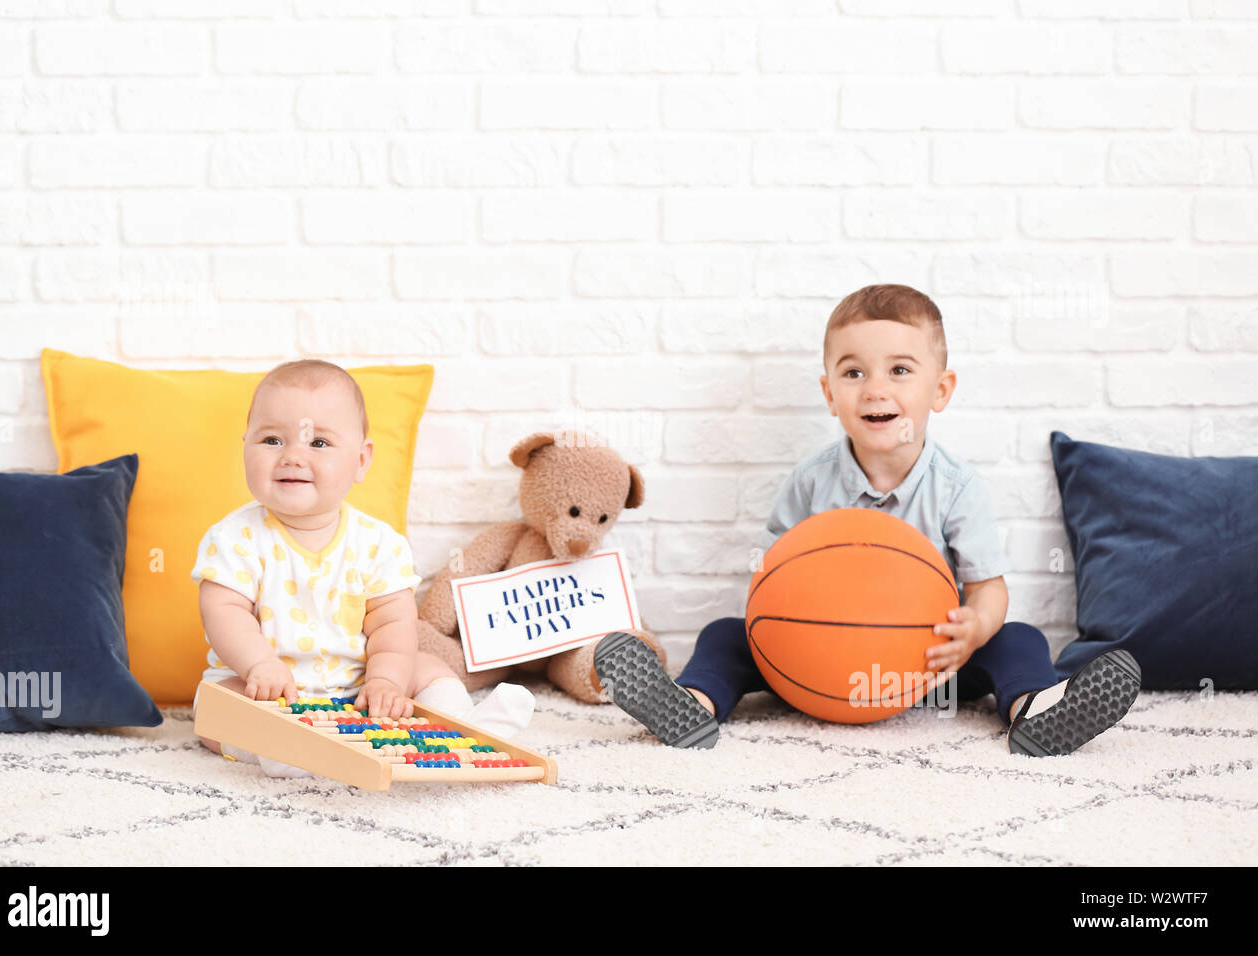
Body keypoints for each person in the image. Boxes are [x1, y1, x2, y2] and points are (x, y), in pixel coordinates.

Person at [595, 284, 1141, 756]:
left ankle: (1037, 710)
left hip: (929, 669)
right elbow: (767, 575)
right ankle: (691, 704)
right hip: (814, 664)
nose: (875, 388)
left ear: (940, 390)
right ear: (830, 394)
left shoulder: (955, 486)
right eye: (854, 372)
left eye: (900, 370)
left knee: (1017, 637)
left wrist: (971, 631)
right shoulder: (812, 482)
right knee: (727, 636)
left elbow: (989, 590)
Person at [192, 359, 532, 776]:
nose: (294, 457)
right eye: (272, 440)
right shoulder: (234, 538)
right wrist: (259, 665)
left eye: (318, 443)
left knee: (426, 667)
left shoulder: (377, 543)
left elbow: (392, 623)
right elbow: (223, 613)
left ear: (361, 460)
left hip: (358, 687)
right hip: (270, 688)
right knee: (215, 705)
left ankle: (466, 726)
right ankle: (280, 749)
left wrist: (385, 681)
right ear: (245, 447)